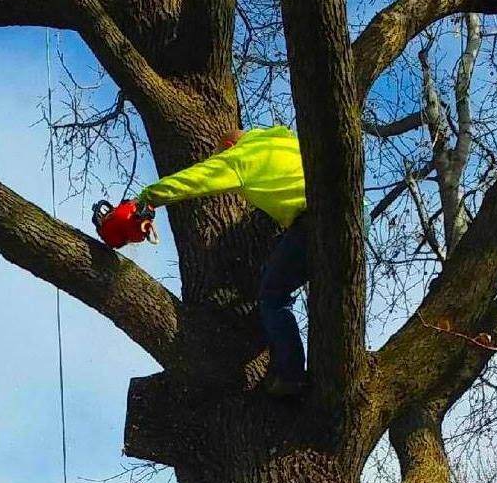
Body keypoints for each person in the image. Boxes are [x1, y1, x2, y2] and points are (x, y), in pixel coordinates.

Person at [137, 125, 370, 397]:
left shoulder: (240, 158)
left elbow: (195, 179)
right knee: (324, 287)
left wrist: (148, 198)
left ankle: (292, 375)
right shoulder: (282, 140)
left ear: (229, 148)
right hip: (357, 215)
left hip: (316, 221)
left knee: (272, 295)